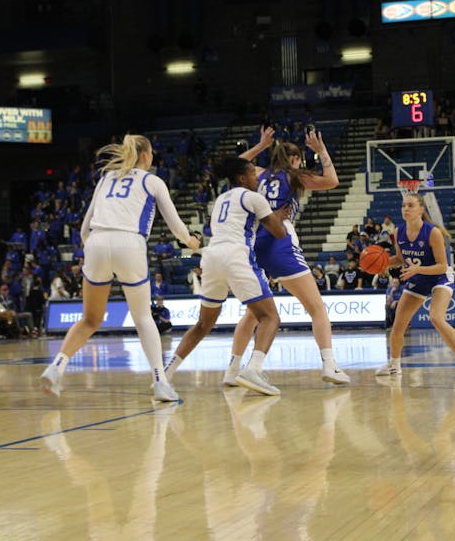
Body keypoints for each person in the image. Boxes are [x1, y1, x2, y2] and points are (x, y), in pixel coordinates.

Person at [39, 134, 200, 402]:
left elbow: (83, 228)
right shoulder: (153, 181)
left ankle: (56, 367)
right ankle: (161, 383)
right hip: (130, 243)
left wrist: (97, 254)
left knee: (90, 319)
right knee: (143, 318)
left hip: (97, 243)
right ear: (147, 155)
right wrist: (191, 242)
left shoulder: (105, 179)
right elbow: (176, 227)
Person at [229, 125, 350, 385]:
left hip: (252, 243)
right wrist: (322, 151)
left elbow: (236, 164)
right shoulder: (295, 176)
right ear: (295, 160)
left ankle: (233, 371)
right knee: (317, 308)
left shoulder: (258, 174)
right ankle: (329, 365)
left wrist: (260, 146)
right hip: (279, 242)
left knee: (253, 314)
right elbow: (332, 181)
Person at [164, 157, 287, 394]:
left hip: (210, 257)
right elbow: (279, 233)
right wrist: (278, 216)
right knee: (270, 318)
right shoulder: (253, 197)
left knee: (202, 325)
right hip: (236, 256)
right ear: (242, 178)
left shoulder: (220, 199)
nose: (257, 177)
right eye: (252, 173)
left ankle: (165, 374)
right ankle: (253, 369)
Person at [375, 191, 455, 379]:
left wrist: (417, 269)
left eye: (410, 205)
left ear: (421, 209)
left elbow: (441, 266)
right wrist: (379, 263)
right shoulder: (398, 232)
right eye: (404, 205)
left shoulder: (433, 233)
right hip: (418, 277)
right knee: (398, 325)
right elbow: (399, 258)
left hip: (439, 277)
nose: (406, 209)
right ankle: (394, 365)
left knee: (436, 318)